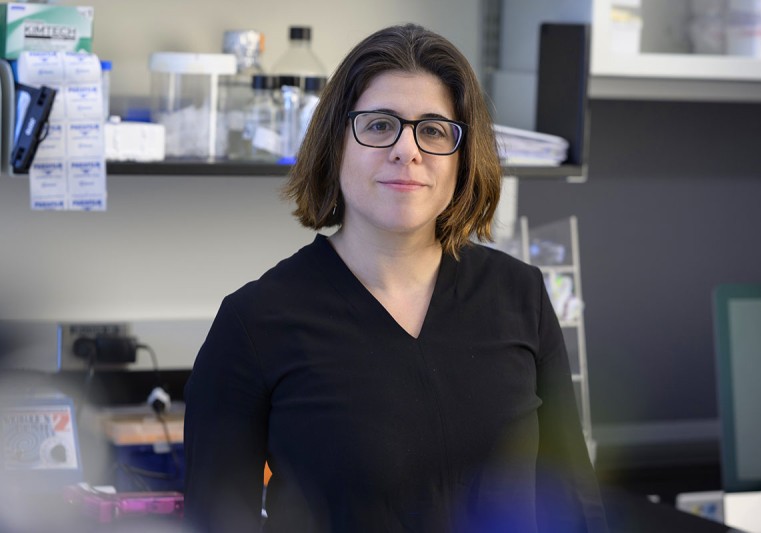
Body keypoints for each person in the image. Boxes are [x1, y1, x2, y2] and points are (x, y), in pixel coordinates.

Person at [183, 23, 607, 533]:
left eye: (433, 130)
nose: (407, 150)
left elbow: (574, 504)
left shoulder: (520, 296)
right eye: (380, 125)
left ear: (463, 157)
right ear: (335, 143)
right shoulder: (255, 323)